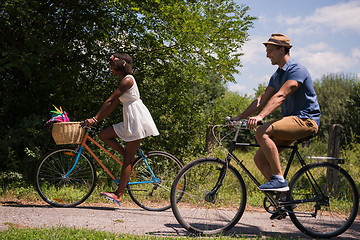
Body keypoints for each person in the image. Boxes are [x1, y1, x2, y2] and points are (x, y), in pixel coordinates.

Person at [231, 33, 321, 192]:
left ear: (282, 49)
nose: (267, 55)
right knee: (259, 159)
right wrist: (238, 118)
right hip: (291, 121)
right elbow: (262, 99)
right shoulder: (277, 75)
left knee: (261, 131)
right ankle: (283, 199)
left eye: (270, 50)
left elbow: (281, 95)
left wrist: (260, 117)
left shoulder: (297, 69)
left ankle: (279, 179)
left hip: (306, 121)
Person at [85, 53, 159, 206]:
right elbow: (112, 105)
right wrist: (98, 119)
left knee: (127, 160)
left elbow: (111, 100)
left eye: (111, 67)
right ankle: (128, 156)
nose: (110, 70)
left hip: (136, 119)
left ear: (118, 67)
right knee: (103, 134)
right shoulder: (123, 80)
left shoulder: (127, 81)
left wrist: (94, 118)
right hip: (130, 119)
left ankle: (119, 195)